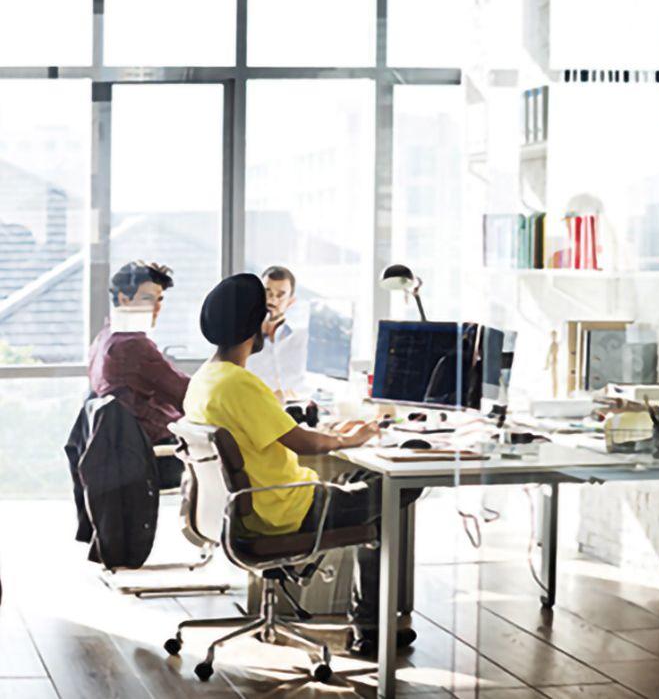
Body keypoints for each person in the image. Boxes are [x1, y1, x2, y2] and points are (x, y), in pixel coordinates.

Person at [184, 274, 420, 656]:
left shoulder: (205, 379)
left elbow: (276, 430)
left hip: (253, 509)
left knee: (365, 480)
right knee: (398, 486)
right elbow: (304, 442)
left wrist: (335, 435)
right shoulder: (239, 383)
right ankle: (371, 629)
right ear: (253, 325)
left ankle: (372, 624)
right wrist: (348, 439)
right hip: (287, 510)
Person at [88, 261, 189, 489]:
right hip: (152, 458)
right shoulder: (133, 345)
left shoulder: (104, 338)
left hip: (123, 454)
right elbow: (186, 394)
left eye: (160, 299)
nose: (156, 308)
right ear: (124, 299)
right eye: (147, 299)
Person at [246, 265, 308, 400]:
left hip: (297, 410)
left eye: (280, 295)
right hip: (256, 409)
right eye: (267, 292)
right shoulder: (241, 341)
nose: (271, 300)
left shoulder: (302, 339)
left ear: (291, 301)